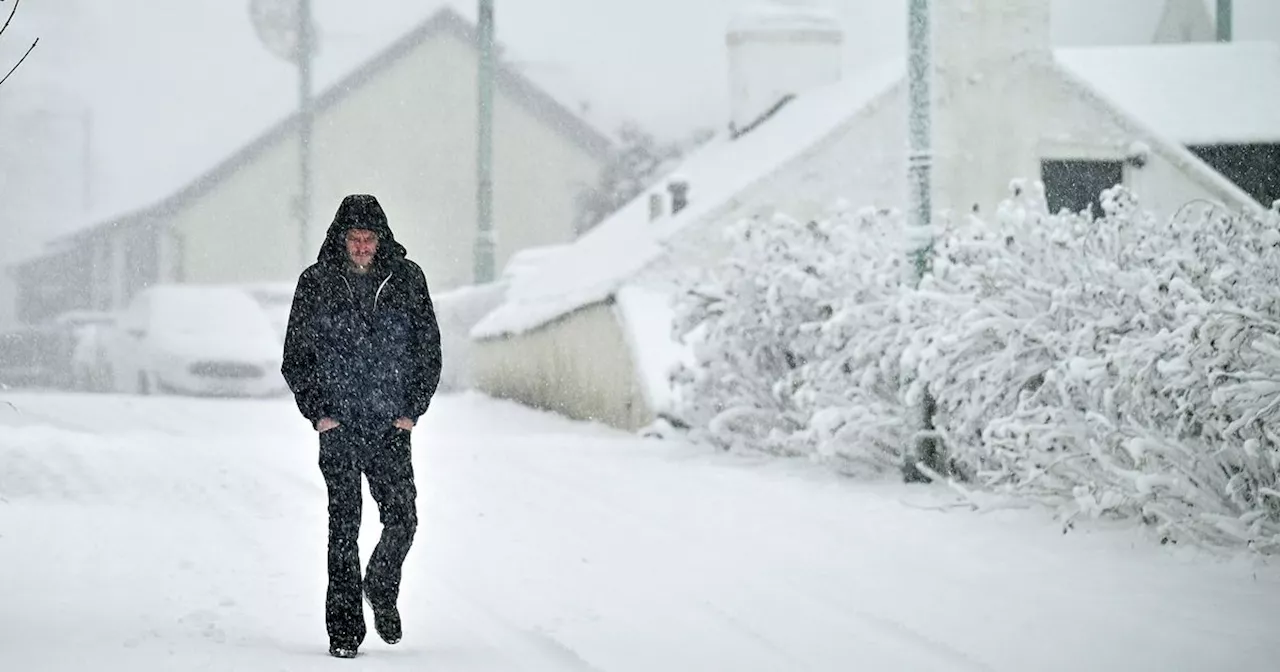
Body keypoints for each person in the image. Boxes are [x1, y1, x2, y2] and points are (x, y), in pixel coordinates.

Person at [281, 194, 442, 659]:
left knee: (403, 519)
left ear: (381, 239)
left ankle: (381, 584)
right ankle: (345, 633)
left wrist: (411, 412)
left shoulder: (408, 281)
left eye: (369, 239)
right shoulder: (315, 283)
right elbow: (296, 357)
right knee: (343, 529)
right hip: (340, 427)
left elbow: (428, 350)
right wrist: (320, 415)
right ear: (340, 239)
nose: (361, 247)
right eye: (354, 239)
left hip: (392, 426)